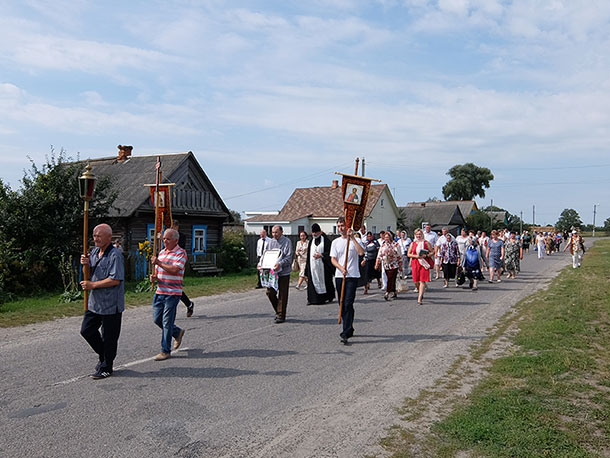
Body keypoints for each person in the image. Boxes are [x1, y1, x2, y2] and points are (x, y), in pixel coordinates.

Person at [80, 224, 125, 380]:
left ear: (108, 237)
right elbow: (91, 274)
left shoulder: (115, 255)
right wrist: (86, 265)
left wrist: (92, 285)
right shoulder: (93, 252)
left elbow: (115, 279)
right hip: (95, 302)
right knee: (86, 330)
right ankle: (104, 355)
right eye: (94, 235)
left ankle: (107, 367)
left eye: (99, 236)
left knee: (109, 337)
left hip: (111, 304)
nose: (96, 238)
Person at [150, 228, 187, 361]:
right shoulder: (161, 253)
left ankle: (165, 350)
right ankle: (177, 332)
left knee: (167, 322)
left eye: (168, 239)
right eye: (164, 238)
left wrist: (159, 263)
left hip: (172, 293)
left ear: (175, 240)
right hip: (160, 291)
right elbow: (159, 271)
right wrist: (154, 277)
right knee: (156, 319)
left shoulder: (180, 253)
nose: (165, 241)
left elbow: (175, 270)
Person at [331, 216, 365, 345]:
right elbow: (333, 259)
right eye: (338, 226)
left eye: (342, 225)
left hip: (352, 276)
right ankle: (349, 327)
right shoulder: (335, 242)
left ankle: (345, 331)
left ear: (347, 226)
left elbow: (361, 252)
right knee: (342, 303)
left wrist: (353, 238)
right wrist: (341, 267)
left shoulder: (354, 240)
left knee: (348, 302)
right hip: (340, 275)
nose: (340, 228)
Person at [259, 225, 293, 323]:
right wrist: (261, 264)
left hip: (283, 272)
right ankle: (278, 310)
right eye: (273, 232)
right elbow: (265, 255)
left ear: (281, 232)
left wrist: (280, 263)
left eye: (276, 232)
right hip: (272, 272)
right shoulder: (270, 242)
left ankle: (281, 315)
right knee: (270, 292)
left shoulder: (287, 242)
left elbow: (288, 257)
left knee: (282, 294)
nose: (274, 234)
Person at [305, 224, 335, 305]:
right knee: (312, 282)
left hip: (324, 266)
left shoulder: (326, 241)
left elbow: (330, 253)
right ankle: (312, 299)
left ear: (320, 232)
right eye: (313, 232)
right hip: (313, 266)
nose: (314, 234)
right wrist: (306, 270)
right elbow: (308, 256)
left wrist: (322, 255)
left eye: (316, 232)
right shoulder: (311, 242)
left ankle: (326, 297)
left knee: (326, 281)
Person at [171, 220, 195, 317]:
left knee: (175, 288)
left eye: (173, 227)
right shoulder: (167, 236)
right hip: (168, 264)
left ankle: (188, 304)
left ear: (177, 227)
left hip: (177, 264)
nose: (171, 228)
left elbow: (179, 249)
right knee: (170, 287)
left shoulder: (181, 237)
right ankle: (188, 304)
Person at [408, 228, 434, 305]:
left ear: (422, 234)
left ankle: (419, 298)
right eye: (417, 234)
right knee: (416, 280)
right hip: (416, 262)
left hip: (424, 262)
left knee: (422, 280)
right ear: (415, 235)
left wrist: (426, 255)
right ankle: (420, 290)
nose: (418, 236)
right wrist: (416, 256)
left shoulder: (426, 243)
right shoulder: (413, 243)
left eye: (420, 234)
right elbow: (409, 254)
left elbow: (432, 252)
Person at [375, 231, 402, 301]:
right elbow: (379, 255)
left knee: (391, 278)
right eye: (385, 237)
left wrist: (400, 264)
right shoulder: (383, 246)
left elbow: (400, 255)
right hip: (386, 264)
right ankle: (394, 291)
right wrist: (377, 263)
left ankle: (387, 292)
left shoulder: (396, 245)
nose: (386, 238)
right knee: (391, 278)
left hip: (394, 264)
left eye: (388, 237)